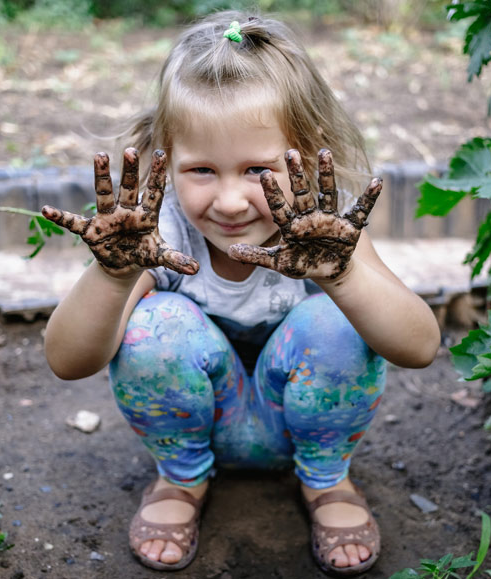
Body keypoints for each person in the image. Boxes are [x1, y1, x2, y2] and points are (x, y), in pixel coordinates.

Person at [41, 11, 440, 576]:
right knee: (158, 320)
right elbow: (66, 360)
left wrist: (341, 277)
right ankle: (181, 480)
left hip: (303, 430)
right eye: (201, 169)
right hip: (198, 429)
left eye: (256, 168)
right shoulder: (162, 234)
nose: (228, 201)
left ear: (307, 151)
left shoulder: (324, 231)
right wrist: (113, 275)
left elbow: (420, 346)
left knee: (334, 319)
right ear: (163, 159)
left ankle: (328, 482)